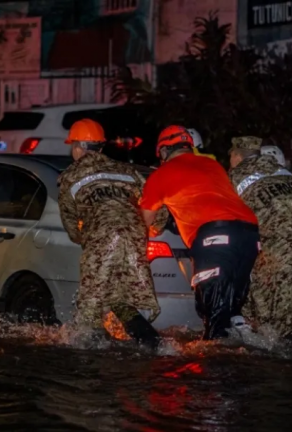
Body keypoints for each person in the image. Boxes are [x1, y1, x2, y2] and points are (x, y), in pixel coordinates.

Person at [140, 125, 260, 340]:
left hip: (215, 235)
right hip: (249, 234)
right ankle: (251, 346)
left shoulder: (162, 174)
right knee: (233, 309)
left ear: (164, 151)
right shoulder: (212, 165)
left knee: (213, 309)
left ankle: (217, 357)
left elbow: (142, 222)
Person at [57, 118, 165, 349]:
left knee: (90, 305)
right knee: (119, 299)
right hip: (135, 238)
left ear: (78, 147)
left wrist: (84, 237)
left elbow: (70, 223)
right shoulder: (126, 170)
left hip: (102, 239)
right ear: (100, 147)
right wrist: (154, 227)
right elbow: (156, 204)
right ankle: (155, 345)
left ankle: (92, 355)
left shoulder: (70, 176)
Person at [228, 136, 292, 348]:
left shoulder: (236, 176)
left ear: (237, 156)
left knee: (272, 322)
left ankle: (282, 361)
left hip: (274, 255)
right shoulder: (285, 173)